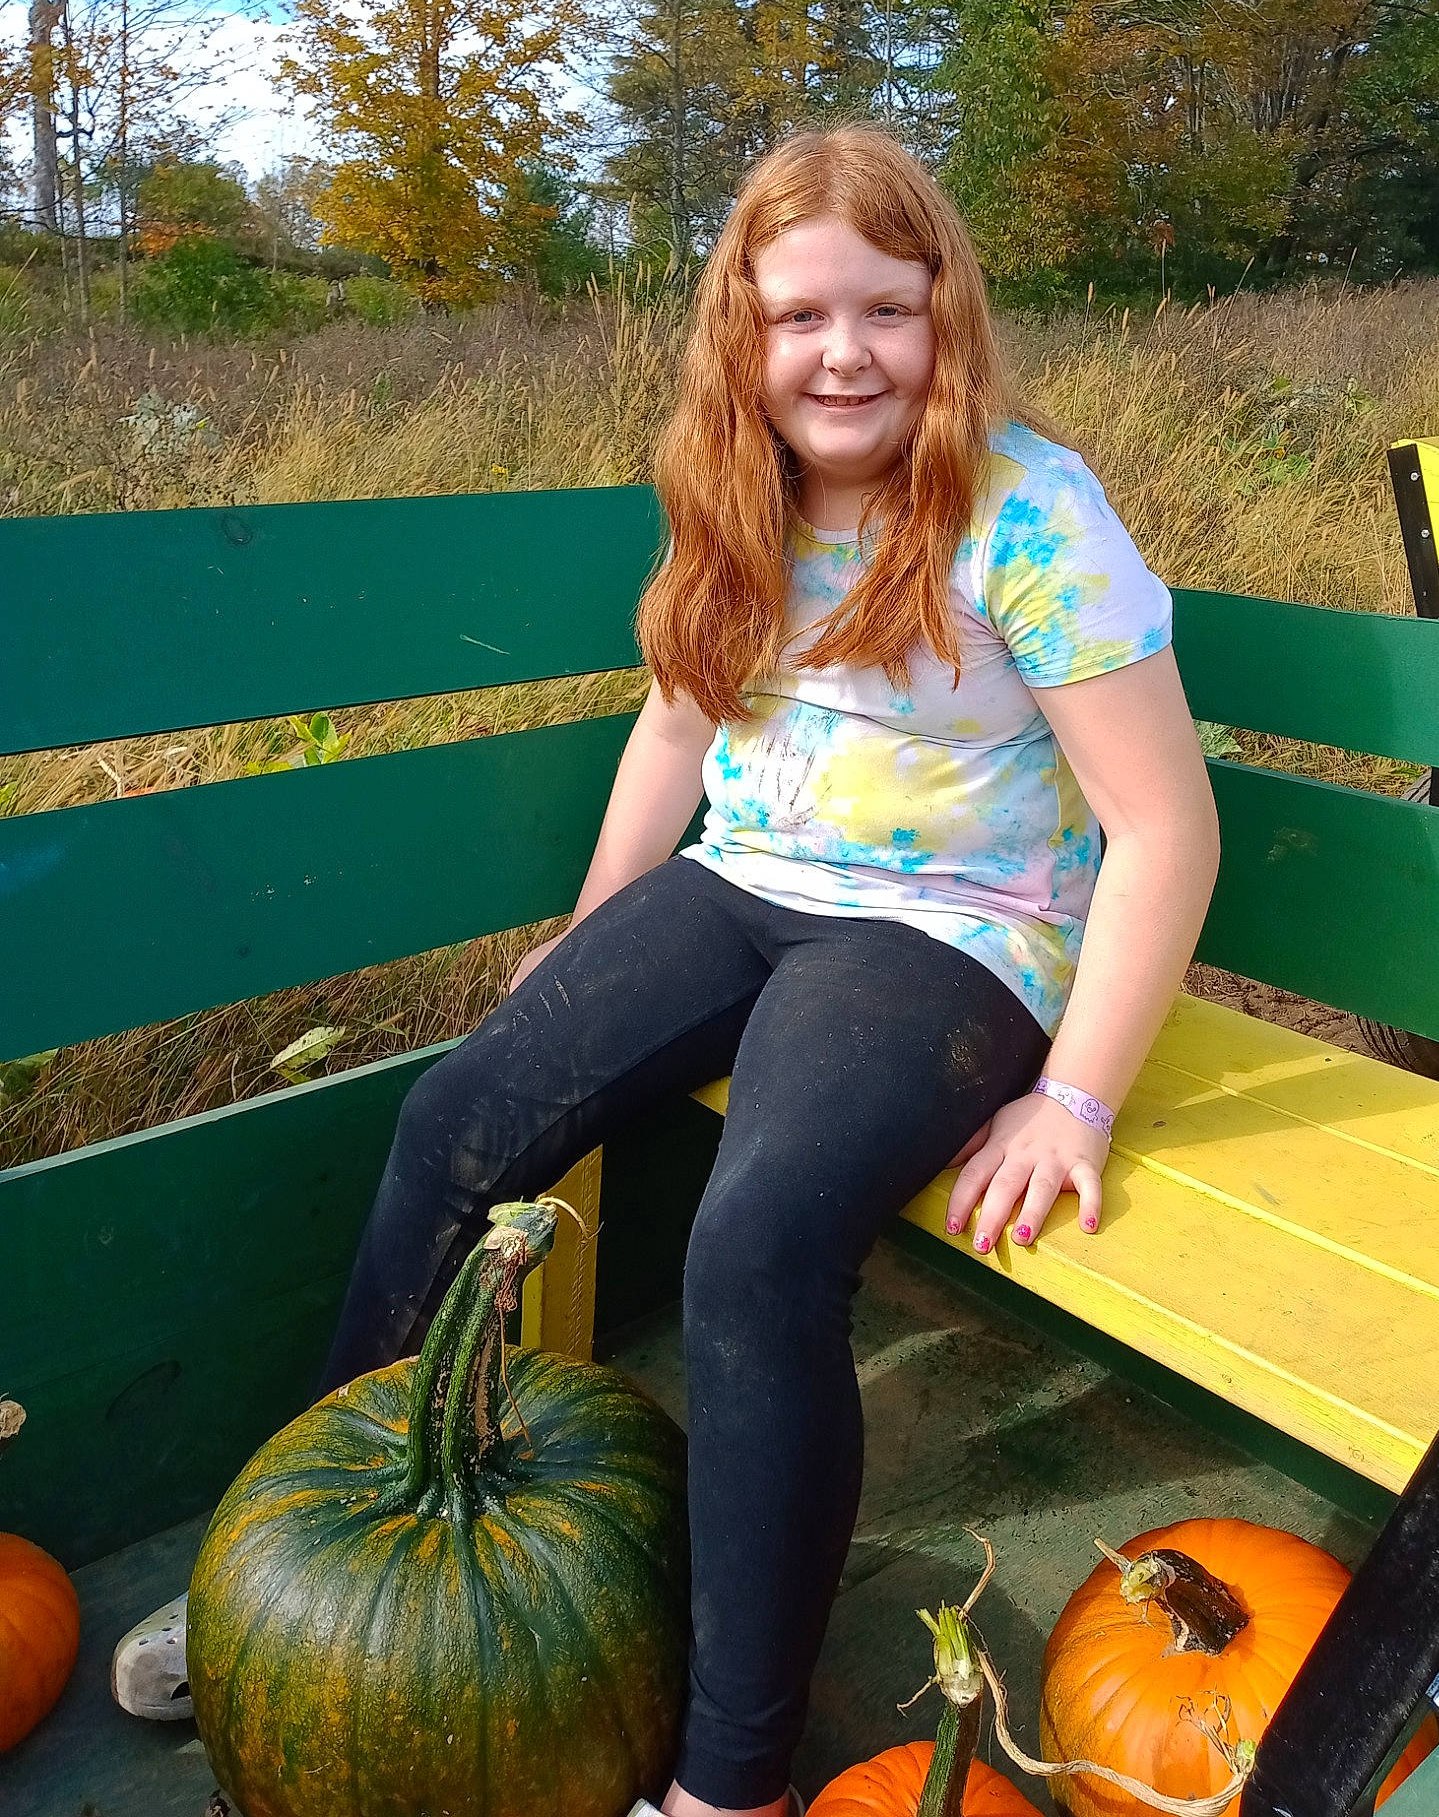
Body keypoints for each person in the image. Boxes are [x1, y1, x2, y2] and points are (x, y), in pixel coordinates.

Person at [114, 125, 1221, 1817]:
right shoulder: (736, 488)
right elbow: (683, 713)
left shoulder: (1028, 511)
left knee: (756, 1245)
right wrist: (595, 920)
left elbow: (1162, 827)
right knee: (461, 1111)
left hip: (951, 932)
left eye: (885, 308)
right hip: (740, 883)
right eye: (796, 316)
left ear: (948, 315)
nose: (841, 351)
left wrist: (1075, 1095)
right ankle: (312, 1562)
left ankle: (733, 1778)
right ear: (742, 332)